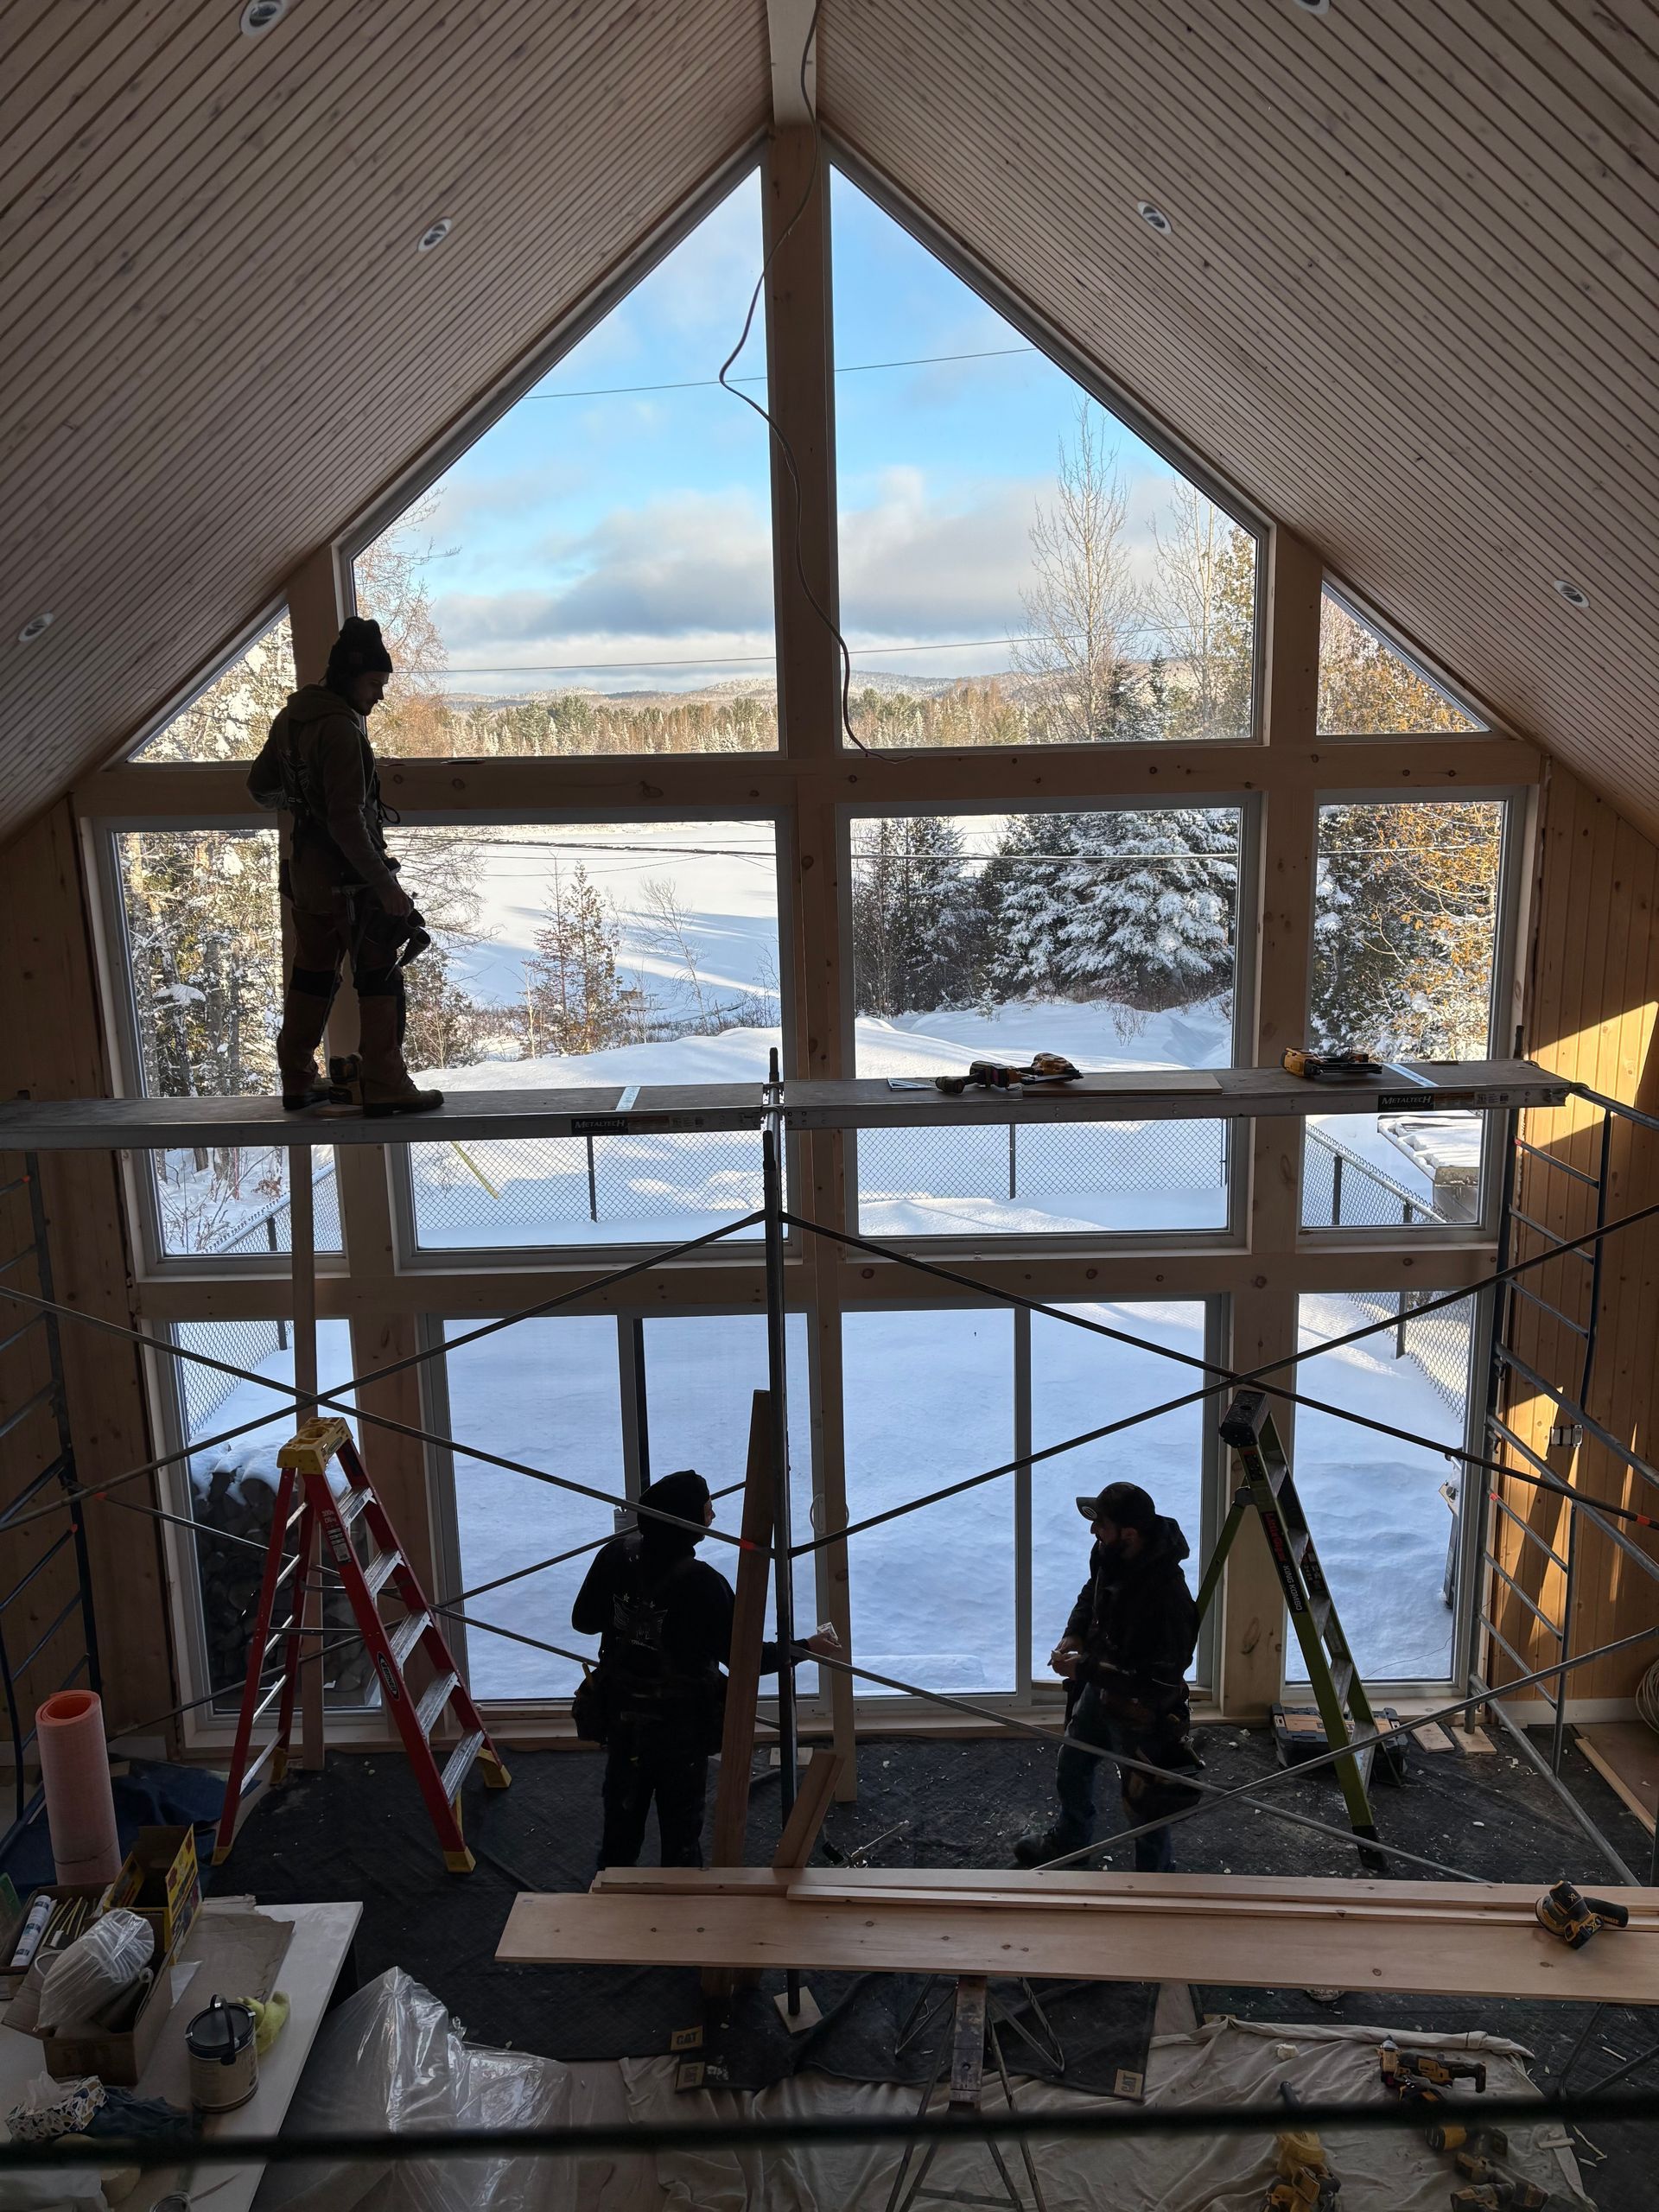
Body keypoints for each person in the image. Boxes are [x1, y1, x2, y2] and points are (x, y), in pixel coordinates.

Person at [571, 1467, 838, 1870]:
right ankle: (682, 1919)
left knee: (620, 1833)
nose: (712, 1516)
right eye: (707, 1509)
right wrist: (805, 1648)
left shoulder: (615, 1556)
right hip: (679, 1730)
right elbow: (746, 1659)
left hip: (622, 1717)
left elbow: (584, 1621)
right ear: (688, 1522)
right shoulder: (702, 1584)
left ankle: (608, 1907)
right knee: (681, 1838)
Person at [248, 614, 442, 1116]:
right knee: (380, 974)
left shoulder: (292, 720)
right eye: (374, 683)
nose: (379, 695)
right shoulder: (339, 730)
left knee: (313, 973)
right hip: (351, 881)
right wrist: (385, 885)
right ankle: (384, 1081)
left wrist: (300, 799)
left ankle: (296, 1075)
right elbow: (347, 818)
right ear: (348, 677)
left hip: (308, 876)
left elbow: (261, 787)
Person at [1014, 1480, 1203, 1873]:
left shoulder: (1169, 1600)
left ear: (1130, 1533)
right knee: (1073, 1766)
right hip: (1100, 1692)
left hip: (1142, 1713)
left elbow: (1155, 1681)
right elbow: (1091, 1594)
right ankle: (1071, 1843)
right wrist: (1075, 1633)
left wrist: (1083, 1668)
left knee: (1146, 1806)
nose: (1093, 1531)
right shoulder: (1108, 1553)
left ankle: (1155, 1882)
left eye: (1101, 1524)